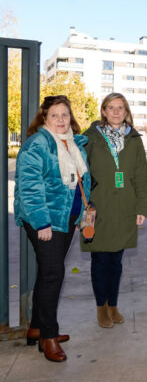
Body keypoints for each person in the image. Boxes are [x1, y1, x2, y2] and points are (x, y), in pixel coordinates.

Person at [14, 95, 90, 362]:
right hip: (45, 221)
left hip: (66, 218)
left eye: (65, 115)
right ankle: (49, 336)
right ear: (45, 118)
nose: (61, 120)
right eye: (55, 115)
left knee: (48, 273)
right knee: (53, 274)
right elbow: (30, 187)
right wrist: (41, 222)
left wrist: (83, 214)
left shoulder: (73, 143)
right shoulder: (37, 144)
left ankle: (36, 327)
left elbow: (82, 181)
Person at [81, 93, 147, 328]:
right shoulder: (90, 138)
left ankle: (113, 305)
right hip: (99, 208)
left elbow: (141, 175)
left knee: (116, 261)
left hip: (125, 207)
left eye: (120, 107)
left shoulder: (134, 139)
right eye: (111, 107)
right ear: (104, 111)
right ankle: (101, 308)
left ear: (126, 111)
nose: (116, 112)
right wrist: (84, 205)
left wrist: (141, 207)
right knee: (100, 259)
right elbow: (81, 174)